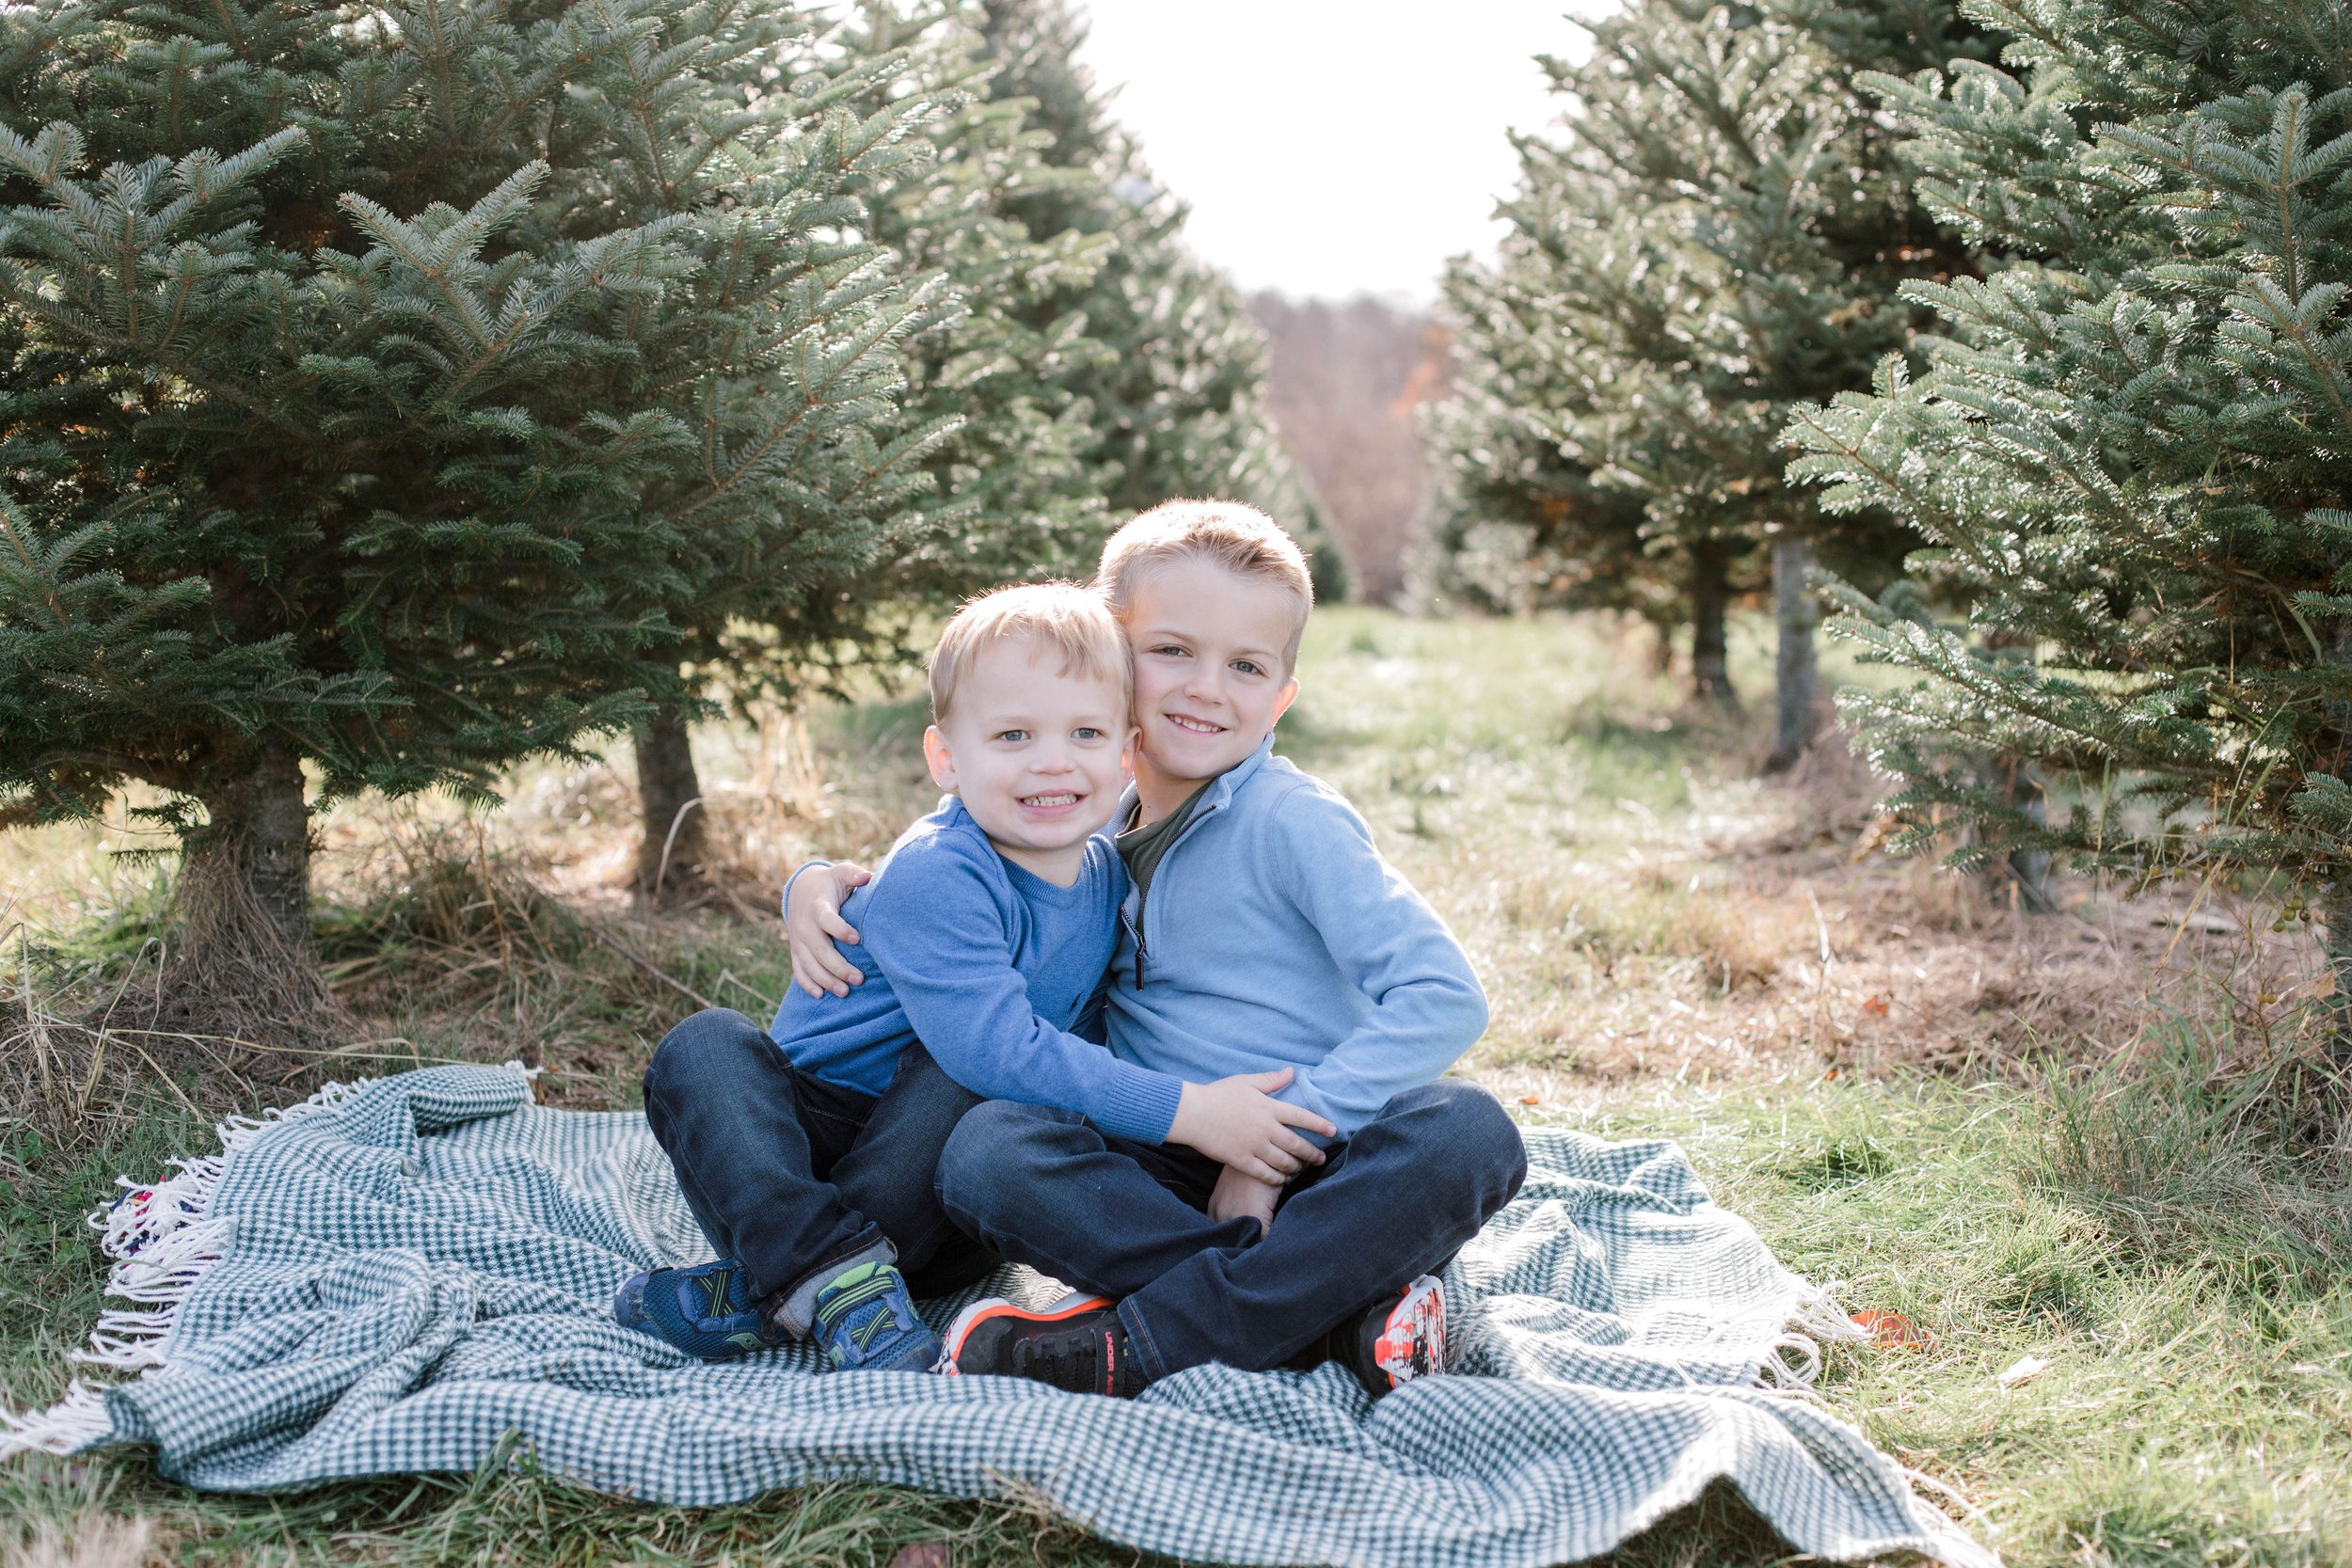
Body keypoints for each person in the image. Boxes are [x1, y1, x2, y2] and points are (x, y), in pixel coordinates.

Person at [787, 502, 1528, 1399]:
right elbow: (949, 870)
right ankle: (1325, 1315)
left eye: (1246, 666)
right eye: (1171, 650)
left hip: (1326, 1161)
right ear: (1107, 656)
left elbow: (1445, 995)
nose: (1205, 687)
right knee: (988, 1147)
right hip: (1159, 1171)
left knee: (1467, 1130)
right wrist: (819, 879)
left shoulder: (1292, 821)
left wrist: (1266, 1151)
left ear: (1281, 697)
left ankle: (1137, 1345)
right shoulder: (1080, 810)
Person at [619, 582, 1330, 1372]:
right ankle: (829, 1275)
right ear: (945, 758)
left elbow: (1093, 1041)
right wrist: (1188, 1111)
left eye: (1085, 732)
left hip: (936, 1205)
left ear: (1125, 752)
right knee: (705, 1044)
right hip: (794, 1156)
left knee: (992, 1080)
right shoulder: (939, 872)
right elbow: (997, 1050)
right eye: (1014, 735)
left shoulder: (1105, 876)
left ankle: (775, 1287)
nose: (1052, 761)